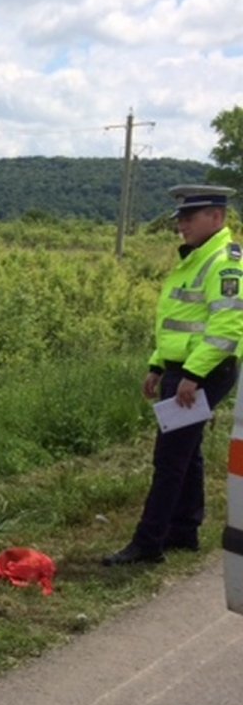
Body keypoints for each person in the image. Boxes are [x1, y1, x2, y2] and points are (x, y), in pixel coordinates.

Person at [103, 184, 242, 566]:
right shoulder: (199, 256)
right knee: (187, 450)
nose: (180, 224)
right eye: (179, 217)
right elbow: (181, 325)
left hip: (204, 371)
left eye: (188, 217)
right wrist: (157, 365)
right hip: (184, 367)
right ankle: (184, 530)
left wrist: (192, 375)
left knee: (169, 458)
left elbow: (227, 328)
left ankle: (148, 543)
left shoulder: (225, 261)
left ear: (217, 217)